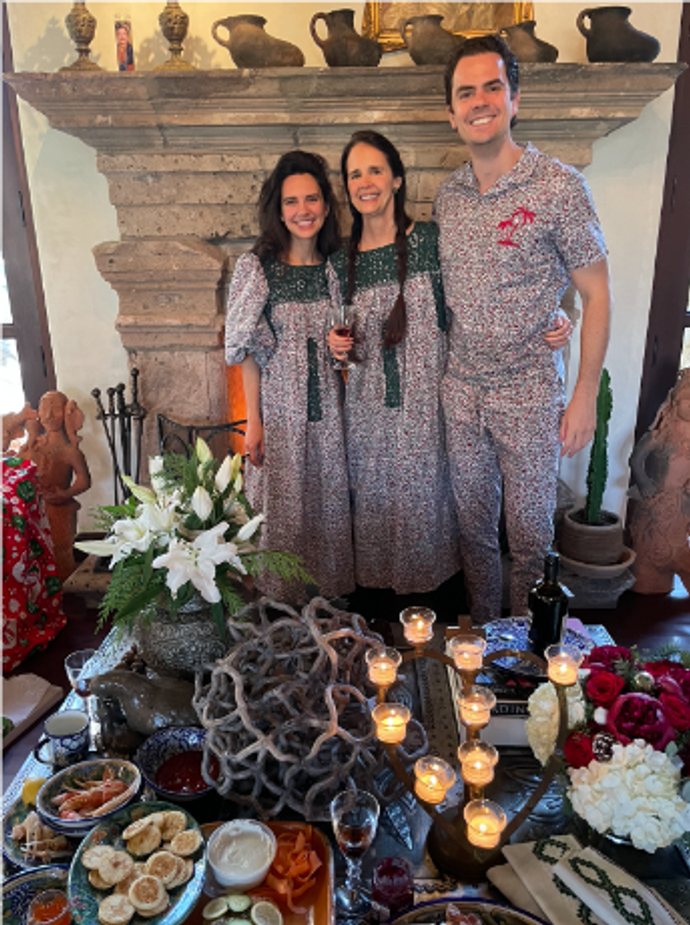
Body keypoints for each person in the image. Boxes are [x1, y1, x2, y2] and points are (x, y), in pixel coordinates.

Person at [435, 35, 611, 622]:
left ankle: (527, 655)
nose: (479, 101)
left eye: (492, 87)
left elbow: (596, 291)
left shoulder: (559, 186)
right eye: (466, 92)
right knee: (474, 532)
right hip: (460, 390)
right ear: (451, 111)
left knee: (531, 536)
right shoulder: (449, 196)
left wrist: (584, 393)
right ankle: (483, 643)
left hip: (530, 391)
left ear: (514, 99)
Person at [328, 130, 462, 594]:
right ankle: (376, 640)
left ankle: (432, 634)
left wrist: (554, 319)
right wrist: (334, 345)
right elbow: (328, 337)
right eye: (354, 174)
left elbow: (470, 307)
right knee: (374, 517)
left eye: (375, 170)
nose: (365, 182)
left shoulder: (431, 243)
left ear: (397, 179)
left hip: (428, 413)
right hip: (367, 419)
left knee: (428, 519)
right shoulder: (339, 262)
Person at [224, 150, 355, 602]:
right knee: (281, 510)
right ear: (278, 210)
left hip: (330, 416)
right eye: (292, 202)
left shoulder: (338, 268)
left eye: (312, 199)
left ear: (326, 206)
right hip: (279, 411)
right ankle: (279, 606)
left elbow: (349, 344)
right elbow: (248, 354)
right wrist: (253, 422)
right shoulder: (258, 269)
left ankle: (326, 605)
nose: (304, 211)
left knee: (327, 507)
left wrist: (344, 353)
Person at [20, 390, 91, 581]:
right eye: (44, 409)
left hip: (59, 509)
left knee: (61, 551)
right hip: (33, 509)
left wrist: (66, 493)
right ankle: (42, 595)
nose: (50, 415)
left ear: (67, 414)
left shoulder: (70, 452)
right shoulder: (33, 448)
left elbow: (84, 480)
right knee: (33, 552)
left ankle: (64, 595)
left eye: (56, 410)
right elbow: (18, 471)